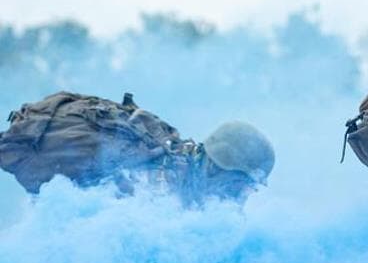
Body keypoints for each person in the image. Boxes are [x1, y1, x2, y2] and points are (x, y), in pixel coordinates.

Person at [0, 91, 274, 205]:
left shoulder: (181, 165)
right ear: (215, 167)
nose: (241, 197)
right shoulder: (159, 185)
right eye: (237, 186)